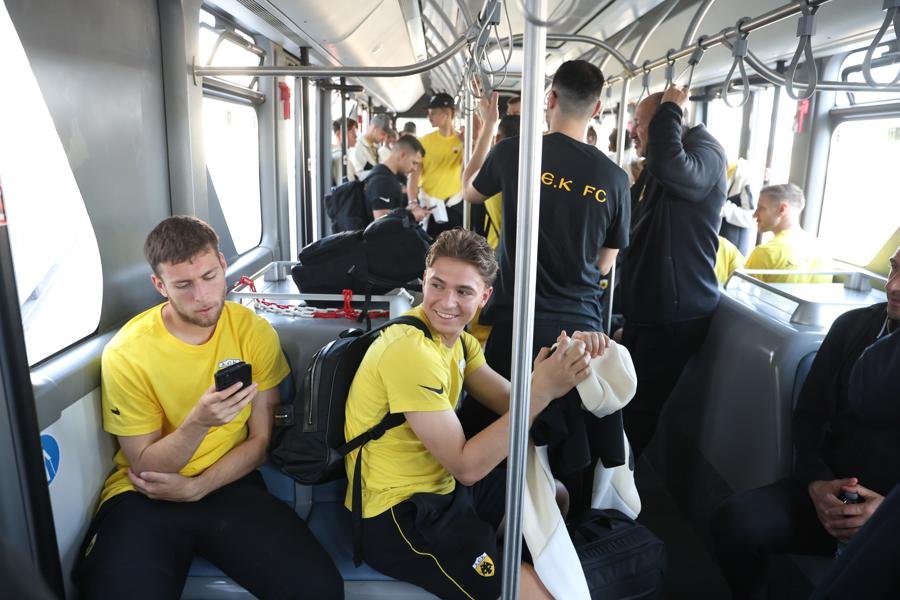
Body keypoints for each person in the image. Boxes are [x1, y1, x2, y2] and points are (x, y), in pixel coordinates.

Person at [72, 216, 343, 599]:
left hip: (229, 482)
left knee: (318, 589)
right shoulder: (129, 353)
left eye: (210, 276)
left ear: (222, 263)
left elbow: (261, 440)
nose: (202, 295)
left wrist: (199, 486)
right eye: (183, 285)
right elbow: (147, 467)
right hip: (145, 495)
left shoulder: (251, 331)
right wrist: (198, 423)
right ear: (160, 285)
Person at [345, 228, 599, 600]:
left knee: (554, 496)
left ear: (484, 297)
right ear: (424, 281)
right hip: (399, 513)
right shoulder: (410, 351)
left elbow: (512, 402)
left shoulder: (461, 342)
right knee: (541, 594)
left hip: (443, 489)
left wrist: (565, 362)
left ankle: (494, 569)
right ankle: (502, 577)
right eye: (437, 285)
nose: (447, 302)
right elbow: (466, 466)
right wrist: (541, 389)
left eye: (464, 291)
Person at [463, 60, 631, 518]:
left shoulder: (515, 152)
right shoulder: (615, 179)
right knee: (572, 446)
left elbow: (470, 192)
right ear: (597, 108)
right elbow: (605, 263)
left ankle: (506, 532)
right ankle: (568, 534)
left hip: (518, 323)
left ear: (550, 99)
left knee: (505, 441)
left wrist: (487, 126)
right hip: (582, 333)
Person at [711, 246, 900, 600]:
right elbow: (809, 415)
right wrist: (818, 484)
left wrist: (887, 511)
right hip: (828, 494)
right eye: (894, 269)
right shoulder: (853, 327)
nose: (893, 286)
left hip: (889, 517)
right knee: (735, 521)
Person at [619, 86, 727, 458]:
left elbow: (673, 167)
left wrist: (668, 110)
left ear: (670, 122)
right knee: (623, 398)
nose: (633, 131)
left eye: (639, 123)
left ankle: (620, 482)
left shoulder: (706, 151)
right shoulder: (659, 160)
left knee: (640, 408)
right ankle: (610, 476)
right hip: (649, 308)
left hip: (675, 312)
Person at [745, 183, 832, 283]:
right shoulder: (822, 250)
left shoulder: (765, 253)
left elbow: (740, 290)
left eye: (761, 208)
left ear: (782, 209)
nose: (755, 215)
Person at [410, 92, 465, 236]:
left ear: (447, 113)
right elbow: (414, 176)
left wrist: (468, 143)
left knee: (455, 246)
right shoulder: (424, 141)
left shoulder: (462, 141)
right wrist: (412, 202)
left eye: (433, 113)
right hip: (429, 205)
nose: (429, 117)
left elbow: (470, 167)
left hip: (454, 204)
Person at [364, 134, 430, 223]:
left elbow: (394, 213)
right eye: (414, 163)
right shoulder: (382, 181)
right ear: (402, 155)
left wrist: (410, 210)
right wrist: (412, 216)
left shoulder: (394, 177)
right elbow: (382, 224)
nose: (415, 169)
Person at [350, 113, 392, 180]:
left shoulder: (375, 147)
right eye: (383, 134)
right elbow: (357, 175)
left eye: (387, 136)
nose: (385, 138)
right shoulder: (358, 147)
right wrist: (380, 171)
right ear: (374, 129)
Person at [331, 117, 358, 186]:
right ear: (339, 134)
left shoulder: (343, 155)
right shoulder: (341, 158)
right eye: (352, 132)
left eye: (355, 132)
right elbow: (348, 188)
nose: (356, 136)